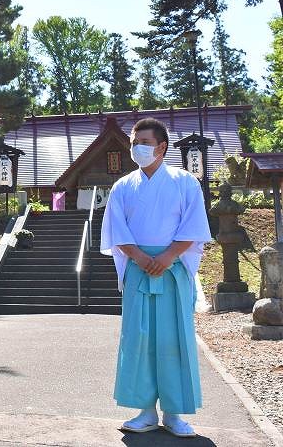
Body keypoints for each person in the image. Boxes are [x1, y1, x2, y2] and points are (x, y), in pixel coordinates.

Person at [100, 117, 212, 438]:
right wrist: (139, 257)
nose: (138, 148)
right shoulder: (122, 186)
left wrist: (167, 256)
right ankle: (145, 410)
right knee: (138, 339)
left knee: (173, 339)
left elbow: (194, 225)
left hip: (172, 270)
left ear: (161, 146)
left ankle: (174, 413)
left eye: (144, 143)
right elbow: (116, 229)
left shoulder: (185, 182)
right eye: (134, 143)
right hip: (138, 268)